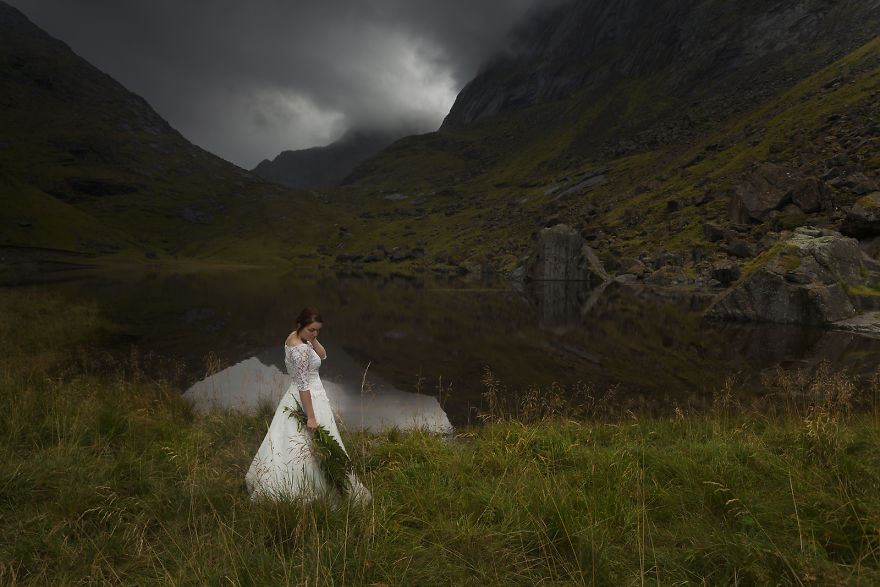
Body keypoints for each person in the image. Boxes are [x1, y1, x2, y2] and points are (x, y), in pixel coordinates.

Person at [245, 307, 370, 503]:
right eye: (312, 329)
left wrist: (313, 339)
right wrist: (311, 417)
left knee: (287, 441)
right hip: (308, 398)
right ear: (299, 325)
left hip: (295, 395)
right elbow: (304, 386)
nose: (315, 333)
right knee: (307, 445)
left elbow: (322, 355)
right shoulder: (301, 350)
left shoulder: (296, 338)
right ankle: (308, 491)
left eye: (318, 330)